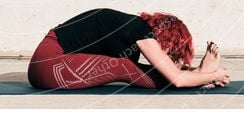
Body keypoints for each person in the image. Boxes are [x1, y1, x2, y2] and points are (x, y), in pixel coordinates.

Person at [27, 7, 231, 90]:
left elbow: (148, 71)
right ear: (169, 40)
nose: (171, 61)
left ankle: (197, 75)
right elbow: (176, 80)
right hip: (48, 65)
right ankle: (201, 74)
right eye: (174, 56)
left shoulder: (130, 34)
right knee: (124, 67)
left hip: (50, 67)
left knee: (128, 66)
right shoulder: (139, 30)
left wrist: (191, 72)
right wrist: (210, 76)